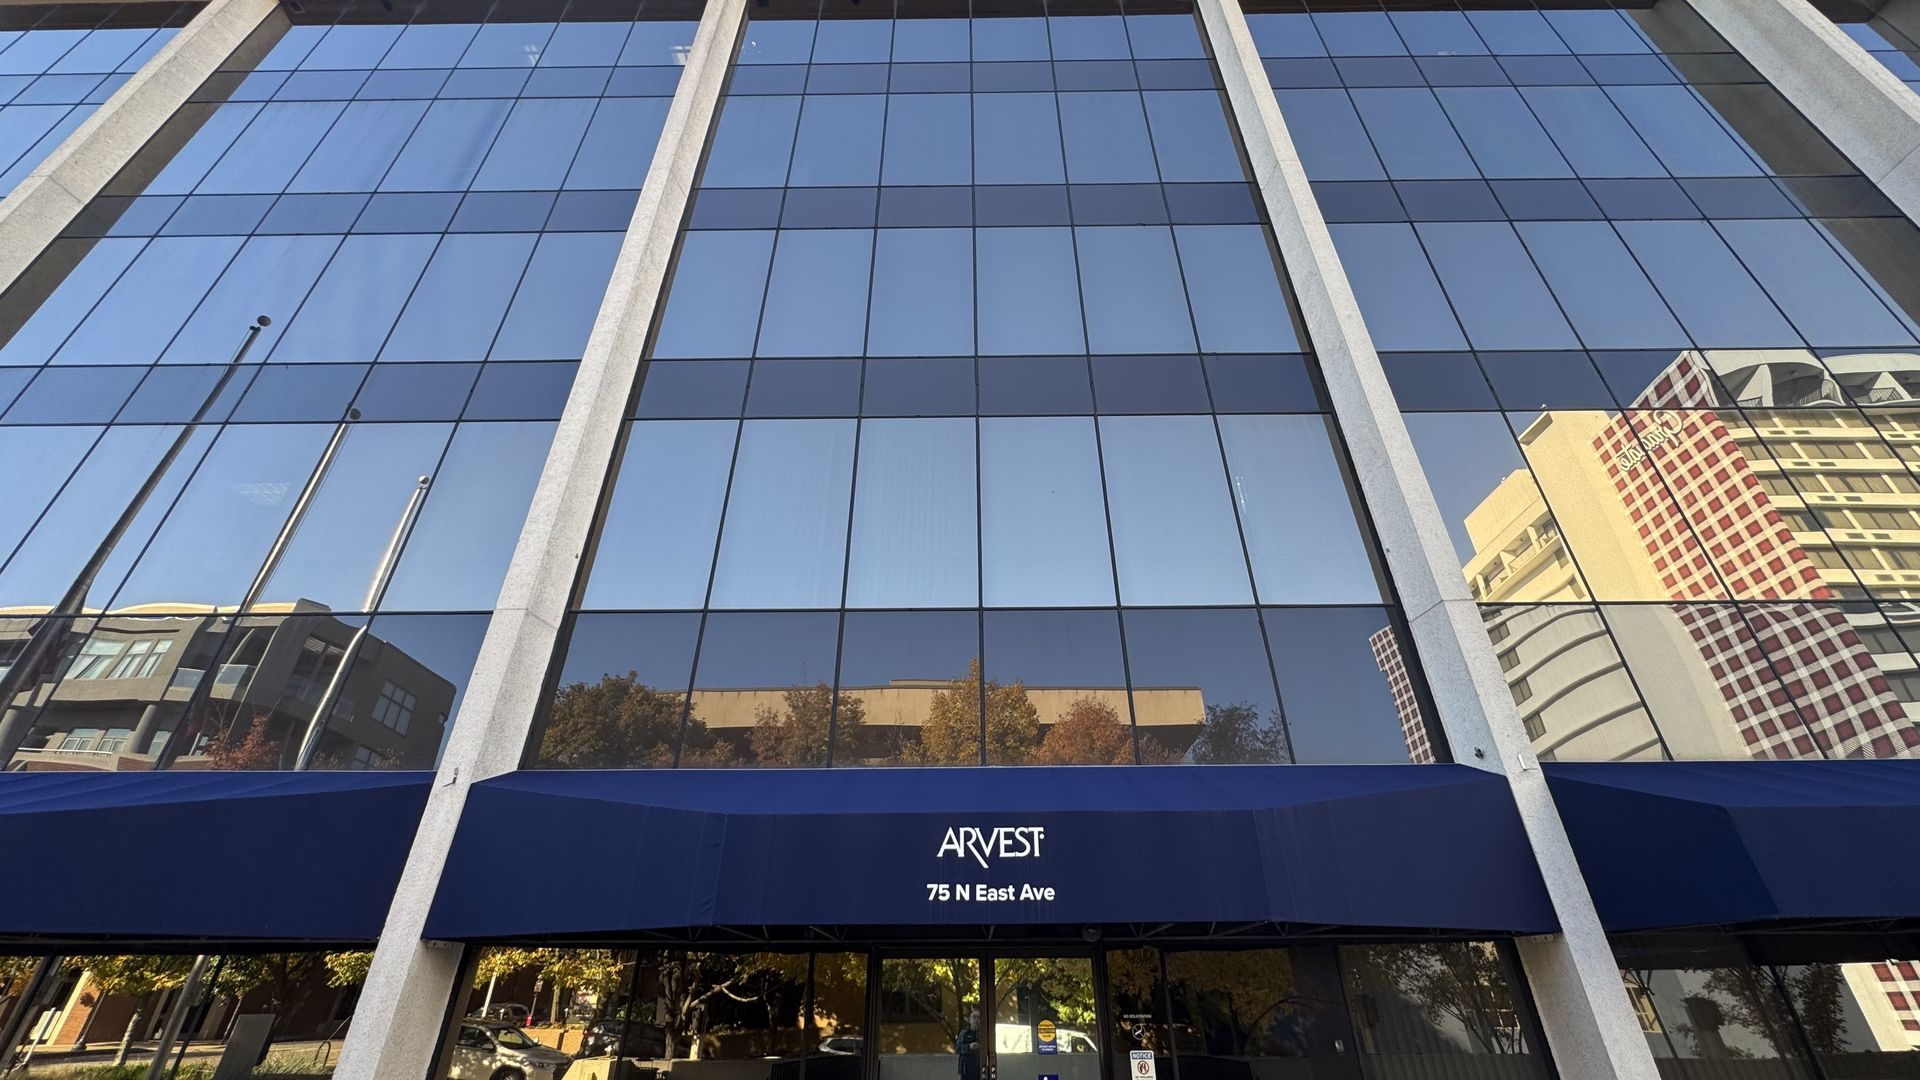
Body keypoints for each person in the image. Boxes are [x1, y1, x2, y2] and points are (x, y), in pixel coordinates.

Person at [956, 1006, 983, 1080]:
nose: (976, 1020)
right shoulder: (964, 1033)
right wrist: (969, 1047)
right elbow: (958, 1049)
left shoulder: (983, 1034)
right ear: (970, 1020)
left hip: (979, 1069)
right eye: (974, 1017)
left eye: (978, 1017)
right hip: (966, 1069)